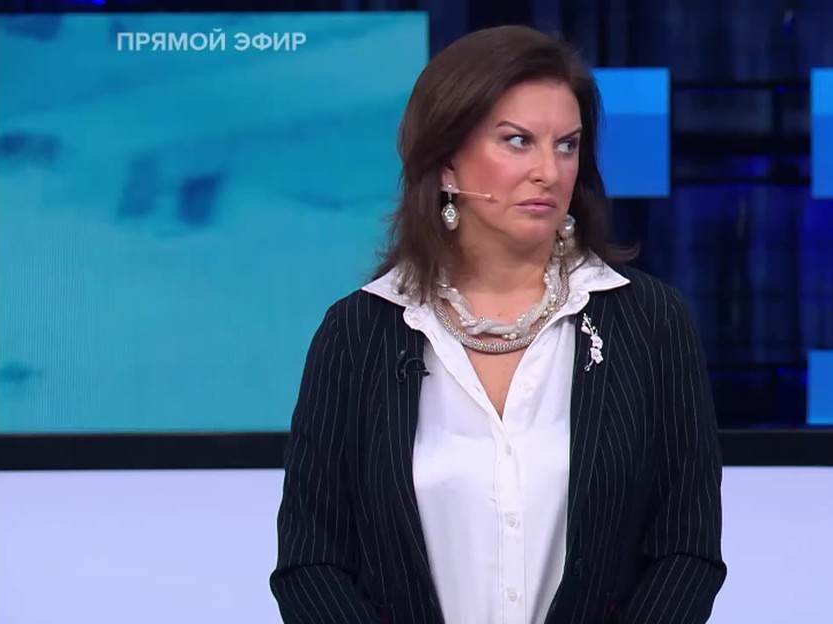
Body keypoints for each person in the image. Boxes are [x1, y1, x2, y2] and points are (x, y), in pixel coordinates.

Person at [270, 24, 726, 624]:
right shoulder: (358, 333)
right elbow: (311, 563)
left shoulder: (649, 323)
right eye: (518, 141)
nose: (549, 171)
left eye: (567, 145)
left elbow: (686, 551)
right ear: (447, 163)